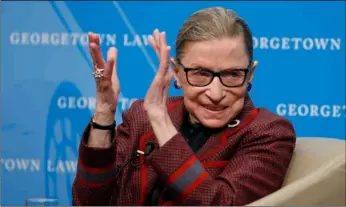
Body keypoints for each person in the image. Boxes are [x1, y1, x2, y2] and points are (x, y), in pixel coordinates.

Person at [72, 7, 296, 206]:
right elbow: (88, 202)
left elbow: (221, 203)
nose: (216, 94)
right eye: (200, 74)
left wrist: (161, 122)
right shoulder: (141, 116)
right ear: (177, 73)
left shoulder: (268, 132)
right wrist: (104, 111)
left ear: (250, 75)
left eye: (232, 75)